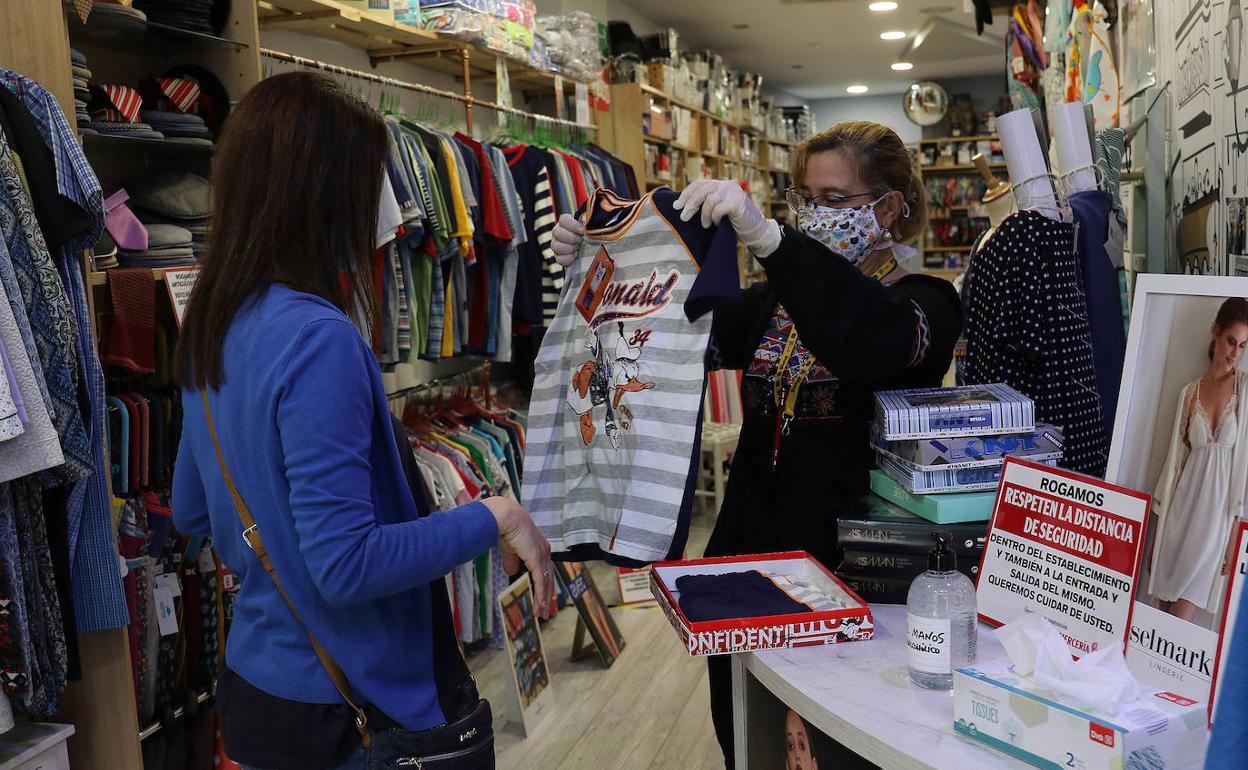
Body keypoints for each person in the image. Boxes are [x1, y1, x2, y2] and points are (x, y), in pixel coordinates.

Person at [171, 72, 554, 770]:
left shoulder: (211, 323)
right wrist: (493, 516)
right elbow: (346, 565)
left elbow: (194, 510)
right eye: (368, 186)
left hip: (260, 692)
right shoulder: (319, 337)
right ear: (322, 195)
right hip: (353, 709)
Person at [552, 120, 963, 766]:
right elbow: (663, 336)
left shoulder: (925, 305)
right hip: (747, 566)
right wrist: (596, 267)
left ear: (888, 207)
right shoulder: (772, 304)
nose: (816, 215)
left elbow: (861, 338)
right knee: (746, 735)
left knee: (829, 746)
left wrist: (771, 239)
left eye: (835, 200)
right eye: (806, 199)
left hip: (852, 581)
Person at [1150, 298, 1248, 622]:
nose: (1235, 353)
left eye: (1243, 346)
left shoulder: (1245, 393)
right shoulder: (1190, 392)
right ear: (1215, 334)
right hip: (1181, 512)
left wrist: (1235, 533)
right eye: (1231, 341)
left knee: (1178, 620)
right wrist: (1158, 534)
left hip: (1216, 521)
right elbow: (1173, 464)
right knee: (1162, 621)